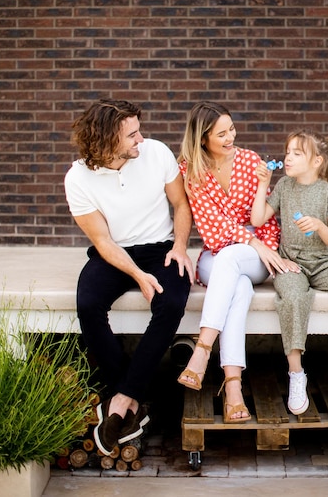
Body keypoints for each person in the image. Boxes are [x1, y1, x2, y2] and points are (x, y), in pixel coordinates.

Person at [64, 99, 194, 455]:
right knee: (89, 305)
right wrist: (138, 275)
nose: (142, 139)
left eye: (139, 130)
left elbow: (181, 204)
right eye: (132, 135)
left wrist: (180, 247)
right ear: (106, 141)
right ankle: (131, 392)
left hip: (161, 247)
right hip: (115, 253)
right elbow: (103, 241)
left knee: (170, 303)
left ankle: (122, 398)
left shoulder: (156, 153)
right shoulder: (77, 178)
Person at [176, 102, 300, 423]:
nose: (231, 137)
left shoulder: (249, 161)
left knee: (234, 261)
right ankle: (233, 389)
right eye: (221, 133)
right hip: (216, 254)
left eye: (232, 129)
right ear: (203, 138)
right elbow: (211, 227)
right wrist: (252, 240)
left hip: (254, 256)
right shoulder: (191, 169)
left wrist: (258, 243)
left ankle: (202, 350)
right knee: (239, 289)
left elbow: (263, 220)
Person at [251, 129, 328, 415]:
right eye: (288, 152)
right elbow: (257, 219)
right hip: (290, 263)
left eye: (297, 153)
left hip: (323, 263)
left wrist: (319, 226)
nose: (288, 158)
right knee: (294, 298)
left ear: (317, 161)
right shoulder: (283, 186)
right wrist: (263, 184)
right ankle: (296, 374)